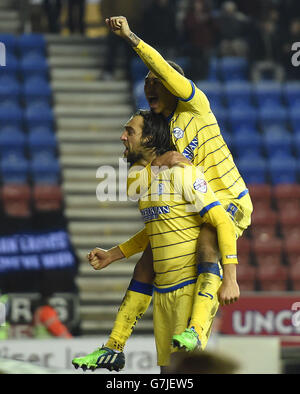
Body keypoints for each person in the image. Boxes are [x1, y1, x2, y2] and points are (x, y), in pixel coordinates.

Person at [72, 16, 253, 371]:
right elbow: (159, 219)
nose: (150, 86)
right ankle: (114, 347)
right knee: (151, 257)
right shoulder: (163, 139)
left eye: (157, 81)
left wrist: (130, 38)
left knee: (207, 240)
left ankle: (197, 330)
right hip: (201, 202)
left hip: (232, 201)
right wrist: (115, 252)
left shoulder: (196, 106)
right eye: (146, 82)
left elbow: (164, 72)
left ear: (173, 84)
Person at [72, 109, 239, 371]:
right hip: (163, 293)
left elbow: (223, 222)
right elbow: (157, 227)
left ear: (149, 138)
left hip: (191, 287)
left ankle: (188, 330)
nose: (122, 137)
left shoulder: (182, 173)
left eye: (130, 131)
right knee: (167, 372)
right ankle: (113, 348)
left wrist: (230, 278)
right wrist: (115, 253)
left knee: (184, 371)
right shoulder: (146, 182)